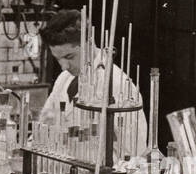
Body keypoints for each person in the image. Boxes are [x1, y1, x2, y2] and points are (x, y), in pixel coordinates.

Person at [36, 9, 147, 161]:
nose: (63, 66)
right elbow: (46, 124)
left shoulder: (118, 85)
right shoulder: (64, 79)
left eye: (69, 57)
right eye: (58, 59)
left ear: (88, 43)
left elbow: (134, 154)